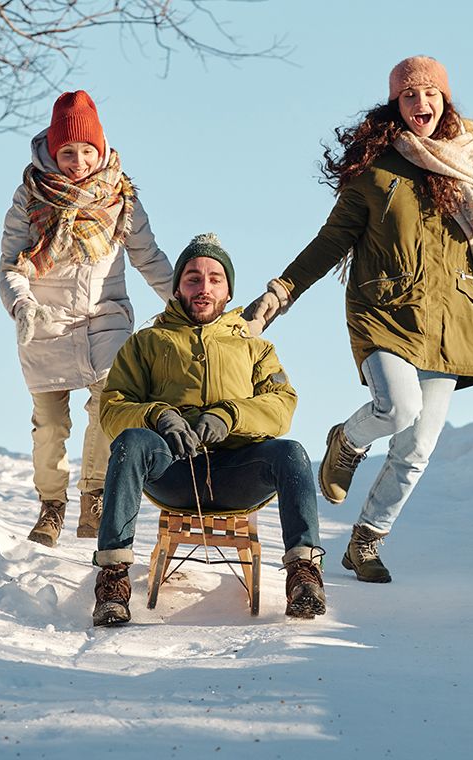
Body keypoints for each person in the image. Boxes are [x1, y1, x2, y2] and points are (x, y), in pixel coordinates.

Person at [243, 55, 473, 584]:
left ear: (445, 100)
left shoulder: (468, 172)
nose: (421, 104)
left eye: (430, 94)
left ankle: (365, 541)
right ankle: (346, 440)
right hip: (384, 313)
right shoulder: (376, 172)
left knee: (416, 451)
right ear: (396, 104)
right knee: (397, 407)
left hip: (449, 325)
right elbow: (330, 242)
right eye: (409, 96)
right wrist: (280, 292)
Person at [90, 233, 326, 626]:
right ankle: (112, 581)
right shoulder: (147, 343)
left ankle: (303, 575)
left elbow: (281, 405)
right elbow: (113, 408)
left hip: (237, 473)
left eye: (215, 279)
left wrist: (229, 416)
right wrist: (158, 416)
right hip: (172, 471)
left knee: (291, 452)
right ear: (179, 286)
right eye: (193, 278)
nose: (204, 288)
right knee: (131, 442)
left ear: (229, 290)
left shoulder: (255, 348)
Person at [0, 90, 173, 548]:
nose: (77, 161)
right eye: (68, 152)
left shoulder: (120, 197)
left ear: (101, 149)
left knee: (107, 407)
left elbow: (147, 257)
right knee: (51, 423)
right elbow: (11, 266)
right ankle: (51, 505)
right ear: (53, 151)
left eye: (86, 151)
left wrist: (183, 302)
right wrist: (22, 305)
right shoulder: (30, 198)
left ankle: (93, 495)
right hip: (46, 320)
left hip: (106, 317)